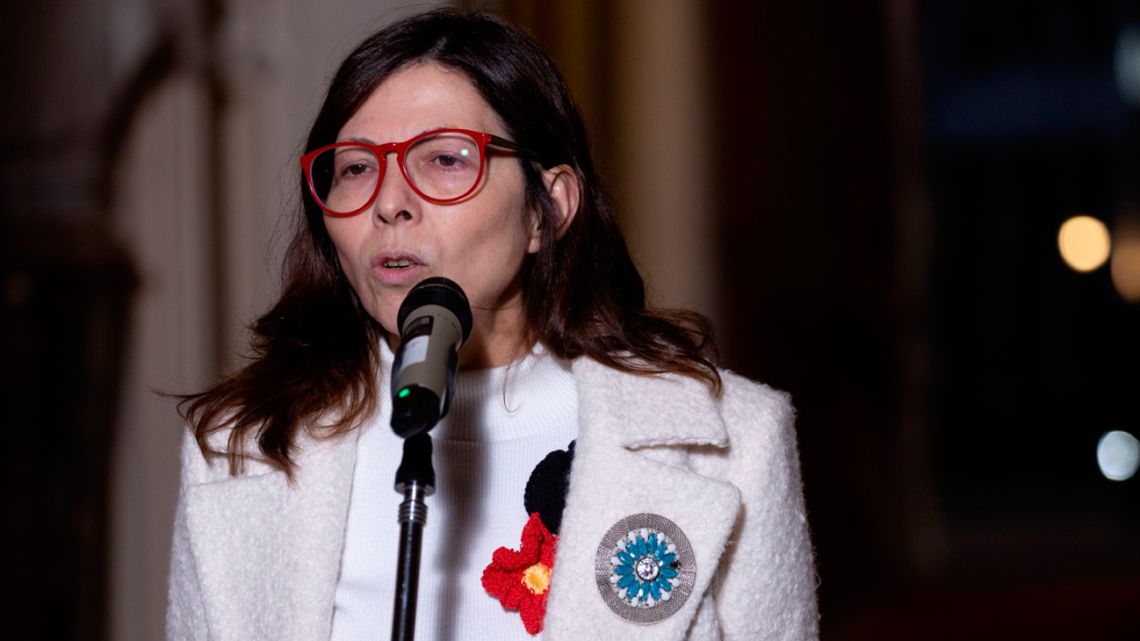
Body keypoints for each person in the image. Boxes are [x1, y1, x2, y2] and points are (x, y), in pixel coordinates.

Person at [167, 9, 817, 641]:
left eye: (446, 159)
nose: (390, 203)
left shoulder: (730, 443)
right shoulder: (239, 448)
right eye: (357, 168)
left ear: (549, 209)